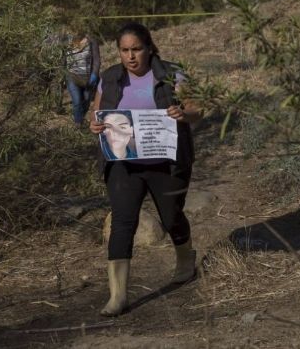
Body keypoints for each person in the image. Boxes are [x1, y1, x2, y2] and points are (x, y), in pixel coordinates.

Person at [89, 22, 202, 317]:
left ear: (149, 47)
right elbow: (96, 112)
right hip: (122, 163)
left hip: (166, 161)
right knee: (123, 223)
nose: (130, 56)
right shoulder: (110, 78)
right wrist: (94, 123)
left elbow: (196, 110)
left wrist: (183, 113)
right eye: (124, 50)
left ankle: (185, 259)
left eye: (136, 49)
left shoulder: (171, 73)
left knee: (171, 216)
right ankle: (118, 296)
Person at [65, 31, 101, 125]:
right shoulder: (65, 41)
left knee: (86, 102)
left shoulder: (91, 40)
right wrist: (62, 74)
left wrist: (95, 74)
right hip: (72, 77)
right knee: (77, 102)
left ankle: (80, 118)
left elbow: (97, 59)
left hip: (88, 78)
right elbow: (61, 59)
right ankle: (78, 125)